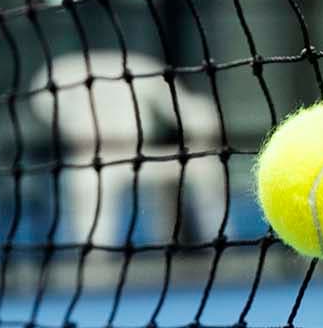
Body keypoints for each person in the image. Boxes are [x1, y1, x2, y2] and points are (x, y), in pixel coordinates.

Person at [25, 49, 227, 251]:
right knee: (90, 186)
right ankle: (96, 256)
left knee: (203, 166)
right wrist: (74, 129)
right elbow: (43, 103)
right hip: (96, 159)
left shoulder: (144, 67)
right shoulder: (61, 72)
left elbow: (186, 107)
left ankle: (216, 241)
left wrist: (202, 127)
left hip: (143, 154)